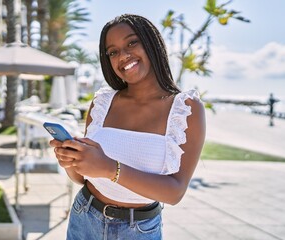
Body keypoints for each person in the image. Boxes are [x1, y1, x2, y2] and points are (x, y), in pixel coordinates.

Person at [50, 14, 206, 239]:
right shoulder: (102, 103)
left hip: (138, 230)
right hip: (84, 217)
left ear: (151, 43)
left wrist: (109, 168)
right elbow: (83, 178)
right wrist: (71, 161)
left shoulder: (185, 109)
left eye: (132, 43)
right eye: (113, 52)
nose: (123, 56)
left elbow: (175, 192)